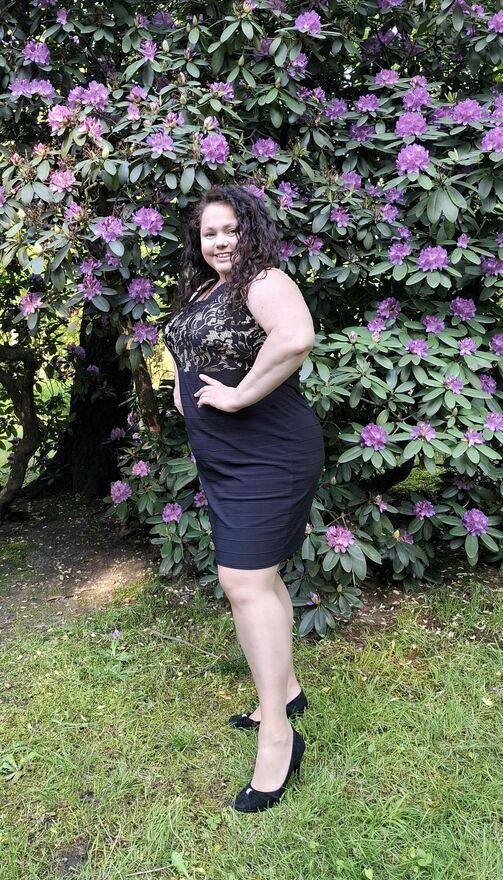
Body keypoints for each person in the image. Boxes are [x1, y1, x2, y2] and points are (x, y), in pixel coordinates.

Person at [164, 184, 324, 813]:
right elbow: (186, 352)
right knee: (260, 577)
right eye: (209, 233)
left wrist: (239, 395)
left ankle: (279, 738)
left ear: (251, 231)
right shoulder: (206, 291)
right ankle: (284, 692)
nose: (220, 241)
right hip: (225, 458)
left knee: (243, 580)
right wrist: (182, 391)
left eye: (231, 229)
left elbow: (295, 338)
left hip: (270, 451)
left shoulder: (263, 281)